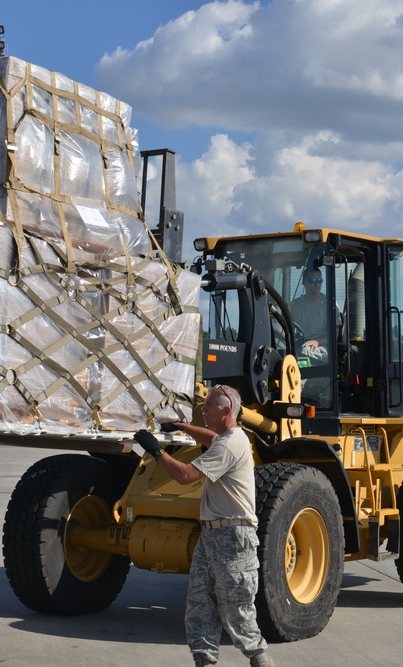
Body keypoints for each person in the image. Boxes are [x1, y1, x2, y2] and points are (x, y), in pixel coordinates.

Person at [134, 386, 274, 667]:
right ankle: (204, 660)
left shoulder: (232, 443)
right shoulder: (228, 438)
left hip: (234, 537)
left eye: (209, 406)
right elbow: (211, 438)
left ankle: (262, 660)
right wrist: (183, 426)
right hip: (212, 535)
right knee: (200, 606)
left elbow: (185, 476)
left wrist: (157, 452)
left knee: (238, 611)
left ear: (226, 411)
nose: (203, 410)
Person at [289, 267, 334, 355]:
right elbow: (286, 329)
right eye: (313, 280)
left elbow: (334, 335)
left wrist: (316, 341)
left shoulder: (328, 303)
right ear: (304, 283)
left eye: (320, 280)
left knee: (305, 352)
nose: (317, 284)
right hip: (300, 343)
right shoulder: (294, 304)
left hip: (321, 346)